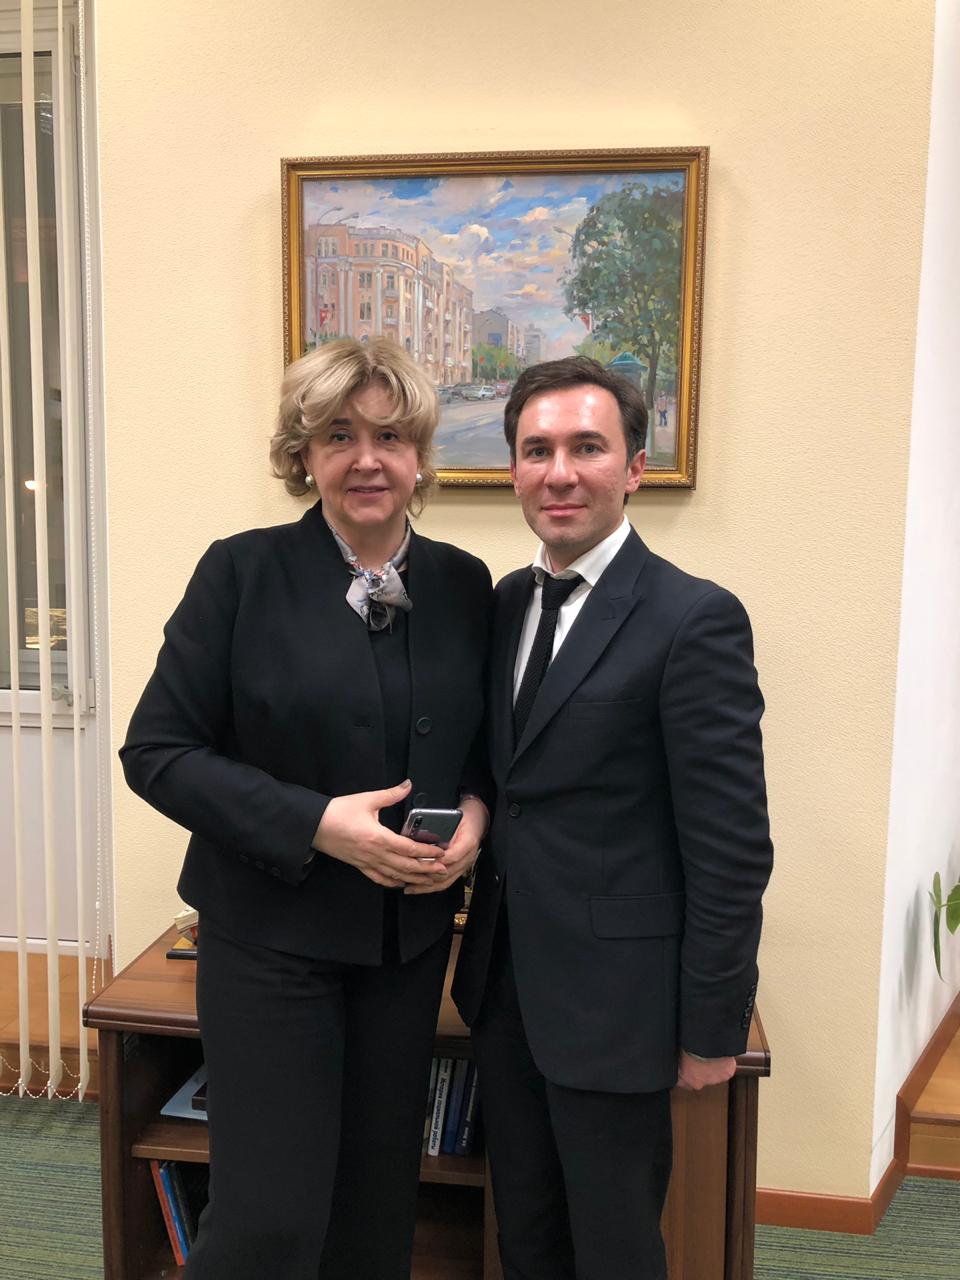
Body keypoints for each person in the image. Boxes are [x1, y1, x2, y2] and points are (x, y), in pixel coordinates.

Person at [121, 337, 492, 1280]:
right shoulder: (239, 573)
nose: (367, 458)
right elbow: (157, 753)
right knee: (268, 1223)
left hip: (405, 950)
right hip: (268, 945)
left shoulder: (464, 583)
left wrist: (476, 821)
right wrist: (319, 824)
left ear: (420, 456)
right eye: (338, 435)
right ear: (303, 453)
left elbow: (484, 754)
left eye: (389, 436)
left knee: (375, 1213)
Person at [453, 356, 773, 1280]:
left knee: (616, 1247)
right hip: (504, 989)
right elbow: (506, 777)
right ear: (513, 470)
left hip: (620, 1007)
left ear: (635, 466)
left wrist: (712, 1024)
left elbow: (730, 847)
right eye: (537, 450)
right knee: (526, 1235)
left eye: (587, 448)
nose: (560, 473)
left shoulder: (693, 618)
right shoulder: (504, 603)